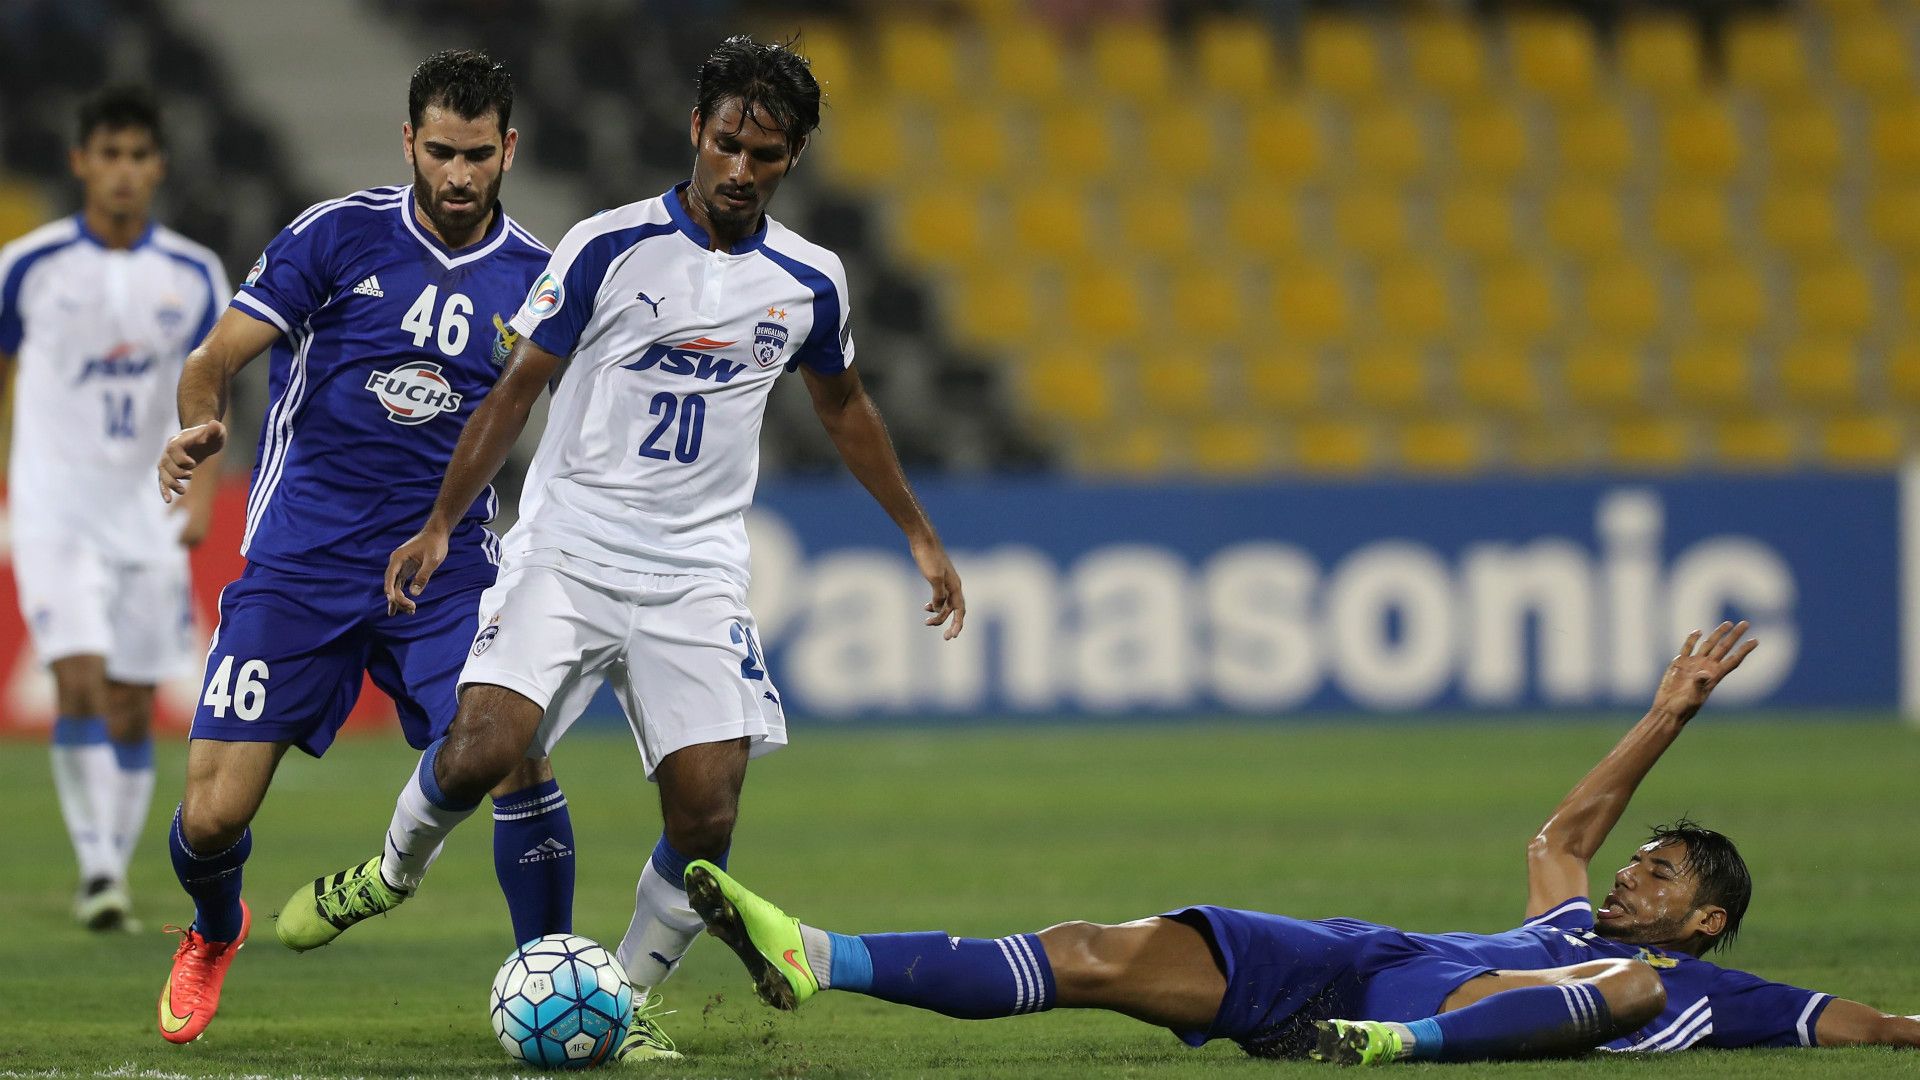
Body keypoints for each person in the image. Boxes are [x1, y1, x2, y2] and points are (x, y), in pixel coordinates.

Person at [278, 34, 967, 1064]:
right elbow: (515, 392)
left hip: (695, 573)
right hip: (568, 550)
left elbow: (846, 405)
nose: (740, 169)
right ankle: (388, 871)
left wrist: (917, 533)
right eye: (728, 142)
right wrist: (436, 525)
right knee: (477, 753)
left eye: (766, 154)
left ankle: (627, 999)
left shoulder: (810, 281)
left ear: (793, 159)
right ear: (696, 130)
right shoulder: (608, 246)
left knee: (707, 810)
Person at [684, 621, 1920, 1063]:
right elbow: (1565, 830)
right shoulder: (1567, 916)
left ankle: (1400, 1050)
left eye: (1668, 872)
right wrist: (1668, 714)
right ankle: (821, 955)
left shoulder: (1712, 989)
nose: (1636, 869)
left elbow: (1871, 1027)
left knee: (1627, 988)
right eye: (1645, 859)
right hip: (1356, 961)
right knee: (1091, 949)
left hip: (1443, 1012)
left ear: (1711, 919)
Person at [151, 50, 577, 1045]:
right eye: (440, 152)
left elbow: (583, 415)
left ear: (508, 148)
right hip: (301, 564)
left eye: (478, 155)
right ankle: (217, 930)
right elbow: (212, 360)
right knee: (211, 817)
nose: (459, 176)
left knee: (512, 751)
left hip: (444, 569)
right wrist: (200, 424)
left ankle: (555, 973)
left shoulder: (539, 278)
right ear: (408, 142)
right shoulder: (336, 237)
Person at [0, 86, 227, 933]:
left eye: (139, 156)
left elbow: (214, 392)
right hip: (55, 508)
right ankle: (99, 872)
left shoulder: (194, 273)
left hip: (149, 513)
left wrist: (201, 490)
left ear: (158, 167)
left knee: (134, 702)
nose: (124, 171)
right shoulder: (29, 266)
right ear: (81, 163)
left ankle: (113, 862)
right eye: (110, 155)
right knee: (79, 680)